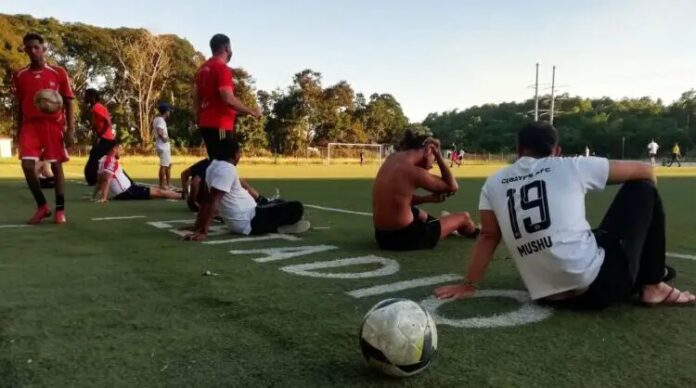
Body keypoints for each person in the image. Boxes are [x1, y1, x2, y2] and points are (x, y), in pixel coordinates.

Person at [434, 121, 694, 308]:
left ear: (519, 148)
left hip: (545, 295)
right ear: (556, 150)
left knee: (593, 235)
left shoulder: (493, 182)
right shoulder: (571, 165)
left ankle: (651, 271)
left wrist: (468, 284)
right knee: (643, 189)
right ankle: (653, 285)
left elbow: (489, 235)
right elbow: (645, 172)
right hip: (598, 288)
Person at [372, 129, 479, 251]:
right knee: (464, 217)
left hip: (381, 236)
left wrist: (427, 199)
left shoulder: (391, 159)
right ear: (429, 149)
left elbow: (398, 198)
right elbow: (452, 187)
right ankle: (476, 231)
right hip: (404, 237)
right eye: (433, 158)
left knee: (417, 212)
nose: (432, 164)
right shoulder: (413, 171)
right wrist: (438, 155)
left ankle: (443, 224)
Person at [184, 138, 310, 241]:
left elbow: (206, 200)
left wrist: (197, 226)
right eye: (239, 153)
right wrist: (204, 232)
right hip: (249, 220)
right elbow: (213, 201)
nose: (240, 156)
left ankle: (275, 224)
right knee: (297, 207)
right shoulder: (227, 169)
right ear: (234, 154)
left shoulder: (212, 166)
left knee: (279, 202)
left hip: (247, 216)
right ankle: (277, 227)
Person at [13, 33, 74, 224]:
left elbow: (69, 101)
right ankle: (42, 206)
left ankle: (60, 210)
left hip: (52, 125)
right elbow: (19, 103)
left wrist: (71, 129)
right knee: (27, 166)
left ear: (43, 48)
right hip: (30, 126)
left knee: (56, 166)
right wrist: (17, 130)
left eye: (36, 47)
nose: (33, 51)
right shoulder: (20, 75)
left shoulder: (58, 72)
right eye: (29, 48)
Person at [194, 33, 262, 160]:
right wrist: (252, 111)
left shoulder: (202, 69)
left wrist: (199, 118)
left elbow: (197, 98)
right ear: (226, 48)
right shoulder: (221, 68)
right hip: (220, 125)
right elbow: (228, 98)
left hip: (206, 125)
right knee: (224, 165)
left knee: (215, 164)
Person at [94, 143, 182, 203]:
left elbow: (100, 180)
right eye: (120, 149)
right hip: (127, 191)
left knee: (158, 189)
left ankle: (180, 193)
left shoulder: (103, 159)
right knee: (160, 192)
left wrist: (93, 196)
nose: (121, 151)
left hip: (129, 189)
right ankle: (184, 196)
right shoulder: (111, 160)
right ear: (114, 149)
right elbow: (106, 179)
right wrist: (104, 198)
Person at [83, 88, 116, 186]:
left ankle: (92, 180)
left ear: (91, 97)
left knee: (94, 160)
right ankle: (94, 180)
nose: (84, 97)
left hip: (106, 139)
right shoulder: (94, 108)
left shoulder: (97, 107)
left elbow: (107, 122)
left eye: (86, 95)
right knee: (96, 158)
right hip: (105, 138)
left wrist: (100, 136)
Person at [152, 103, 172, 189]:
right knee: (164, 166)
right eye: (169, 110)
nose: (169, 112)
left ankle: (168, 184)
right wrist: (165, 139)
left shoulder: (157, 119)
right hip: (163, 146)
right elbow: (160, 131)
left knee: (168, 165)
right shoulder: (161, 120)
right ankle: (162, 185)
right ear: (166, 112)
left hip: (162, 146)